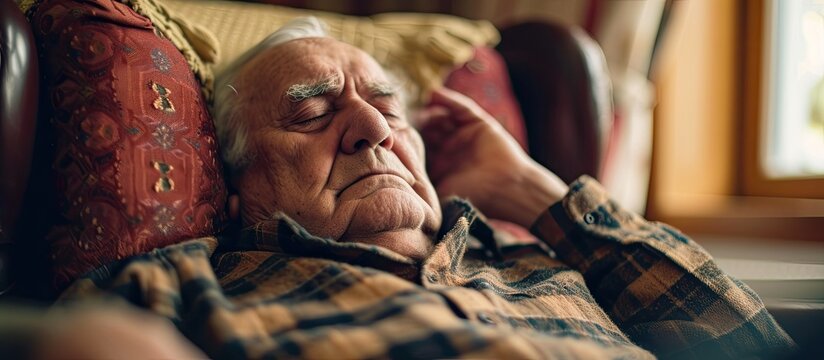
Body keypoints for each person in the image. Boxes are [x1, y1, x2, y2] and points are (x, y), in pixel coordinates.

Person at [39, 17, 794, 359]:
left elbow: (755, 346)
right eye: (311, 111)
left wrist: (535, 193)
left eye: (389, 105)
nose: (371, 128)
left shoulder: (548, 260)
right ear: (240, 187)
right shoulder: (175, 290)